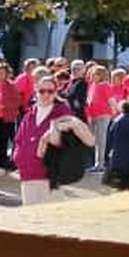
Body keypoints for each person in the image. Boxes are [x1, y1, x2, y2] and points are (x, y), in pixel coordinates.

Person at [12, 75, 94, 206]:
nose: (46, 94)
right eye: (42, 91)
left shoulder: (62, 112)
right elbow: (20, 140)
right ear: (36, 91)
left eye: (50, 91)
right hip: (27, 174)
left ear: (56, 93)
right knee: (30, 217)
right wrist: (18, 159)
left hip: (49, 174)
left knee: (50, 218)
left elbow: (68, 141)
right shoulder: (30, 113)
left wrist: (54, 133)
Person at [83, 64, 116, 171]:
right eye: (93, 74)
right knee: (95, 140)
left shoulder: (105, 85)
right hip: (93, 115)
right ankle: (96, 163)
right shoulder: (92, 85)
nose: (93, 76)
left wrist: (114, 113)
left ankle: (100, 164)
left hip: (103, 115)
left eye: (96, 74)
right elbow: (89, 101)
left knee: (101, 140)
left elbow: (112, 101)